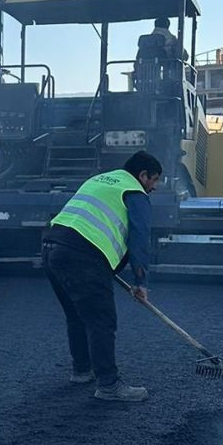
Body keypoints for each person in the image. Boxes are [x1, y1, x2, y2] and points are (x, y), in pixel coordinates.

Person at [41, 151, 165, 402]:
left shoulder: (100, 180)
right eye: (154, 179)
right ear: (142, 175)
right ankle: (108, 385)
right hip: (83, 257)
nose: (155, 186)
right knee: (101, 320)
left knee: (77, 315)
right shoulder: (135, 192)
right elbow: (139, 239)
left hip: (52, 248)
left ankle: (82, 370)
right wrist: (141, 282)